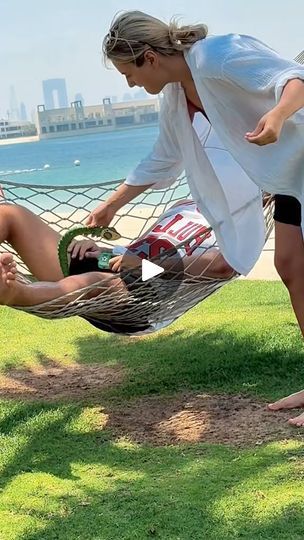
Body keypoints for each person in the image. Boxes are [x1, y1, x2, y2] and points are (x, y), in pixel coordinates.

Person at [85, 11, 304, 421]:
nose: (130, 84)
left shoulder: (217, 54)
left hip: (301, 157)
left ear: (148, 57)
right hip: (289, 176)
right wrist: (113, 204)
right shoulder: (176, 97)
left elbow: (294, 79)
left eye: (128, 73)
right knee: (291, 268)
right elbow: (163, 158)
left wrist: (277, 115)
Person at [0, 200, 235, 335]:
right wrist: (98, 250)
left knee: (95, 282)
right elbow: (139, 247)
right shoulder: (184, 205)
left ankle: (14, 292)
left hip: (146, 295)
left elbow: (222, 266)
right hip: (113, 263)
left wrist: (146, 265)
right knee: (10, 214)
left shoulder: (240, 225)